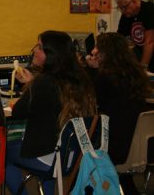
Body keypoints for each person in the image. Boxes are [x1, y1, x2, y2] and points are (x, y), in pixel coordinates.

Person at [6, 30, 96, 195]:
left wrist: (30, 86)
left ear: (52, 54)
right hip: (71, 155)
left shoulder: (43, 82)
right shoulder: (81, 79)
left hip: (47, 155)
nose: (34, 50)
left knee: (1, 154)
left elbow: (18, 111)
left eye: (40, 47)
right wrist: (33, 83)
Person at [86, 32, 151, 194]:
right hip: (138, 145)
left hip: (115, 147)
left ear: (106, 53)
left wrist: (93, 70)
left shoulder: (105, 77)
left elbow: (90, 102)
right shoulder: (136, 75)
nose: (93, 51)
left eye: (97, 48)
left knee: (78, 147)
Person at [115, 0, 154, 72]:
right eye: (120, 8)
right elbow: (119, 38)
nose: (122, 11)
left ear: (134, 2)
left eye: (124, 7)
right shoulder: (126, 15)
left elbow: (150, 42)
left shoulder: (149, 9)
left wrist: (143, 68)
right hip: (141, 57)